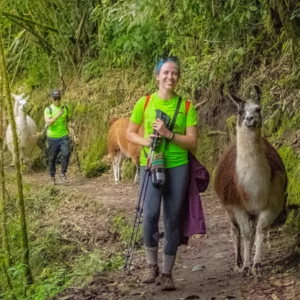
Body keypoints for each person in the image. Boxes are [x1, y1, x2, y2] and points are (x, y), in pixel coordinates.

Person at [127, 57, 198, 290]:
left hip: (178, 166)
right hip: (151, 163)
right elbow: (130, 134)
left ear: (178, 77)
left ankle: (167, 272)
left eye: (174, 73)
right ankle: (151, 265)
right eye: (165, 73)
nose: (170, 77)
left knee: (173, 218)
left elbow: (192, 142)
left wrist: (168, 134)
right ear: (157, 76)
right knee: (149, 214)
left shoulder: (187, 107)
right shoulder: (144, 103)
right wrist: (147, 142)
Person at [44, 89, 72, 185]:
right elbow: (48, 122)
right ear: (52, 99)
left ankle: (63, 174)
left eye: (59, 98)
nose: (57, 100)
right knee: (52, 158)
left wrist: (73, 134)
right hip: (52, 137)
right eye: (55, 98)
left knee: (66, 154)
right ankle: (52, 176)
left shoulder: (66, 108)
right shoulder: (48, 109)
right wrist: (57, 115)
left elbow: (68, 121)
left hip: (64, 136)